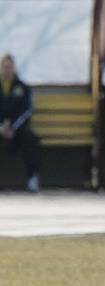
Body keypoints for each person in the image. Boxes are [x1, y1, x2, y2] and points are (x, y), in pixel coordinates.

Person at [0, 54, 42, 192]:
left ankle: (32, 178)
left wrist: (12, 126)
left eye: (9, 67)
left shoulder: (22, 88)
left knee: (30, 138)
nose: (7, 70)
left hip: (16, 131)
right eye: (4, 67)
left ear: (14, 68)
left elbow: (27, 110)